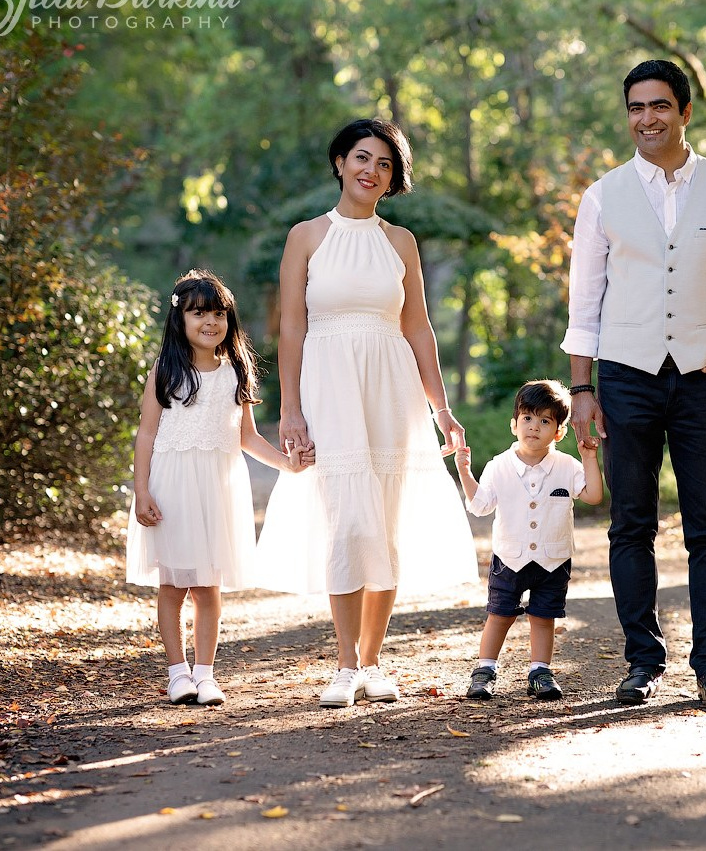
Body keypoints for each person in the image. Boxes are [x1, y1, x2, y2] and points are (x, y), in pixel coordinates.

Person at [562, 59, 706, 711]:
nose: (646, 118)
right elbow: (585, 300)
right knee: (631, 523)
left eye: (659, 105)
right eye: (635, 107)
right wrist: (581, 388)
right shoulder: (602, 195)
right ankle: (642, 662)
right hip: (626, 375)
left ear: (685, 111)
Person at [255, 118, 478, 709]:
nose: (370, 170)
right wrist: (291, 410)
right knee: (347, 521)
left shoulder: (401, 242)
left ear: (392, 178)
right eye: (361, 157)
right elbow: (293, 329)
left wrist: (442, 408)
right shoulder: (306, 236)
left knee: (385, 523)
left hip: (391, 386)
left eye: (383, 164)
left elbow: (418, 329)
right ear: (339, 162)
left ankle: (373, 661)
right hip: (330, 385)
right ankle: (343, 664)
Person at [126, 269, 310, 706]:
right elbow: (146, 434)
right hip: (171, 485)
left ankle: (205, 674)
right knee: (173, 586)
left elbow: (245, 437)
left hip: (216, 485)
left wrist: (287, 464)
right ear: (180, 320)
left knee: (209, 586)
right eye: (199, 314)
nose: (211, 322)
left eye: (219, 314)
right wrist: (142, 490)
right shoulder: (166, 370)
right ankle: (177, 673)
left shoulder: (235, 371)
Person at [454, 380, 603, 701]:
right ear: (514, 424)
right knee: (501, 613)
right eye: (527, 418)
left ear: (559, 432)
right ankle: (485, 670)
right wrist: (465, 472)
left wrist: (589, 457)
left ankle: (540, 671)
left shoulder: (567, 466)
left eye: (545, 421)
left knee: (543, 615)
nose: (534, 427)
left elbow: (593, 495)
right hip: (510, 556)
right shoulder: (498, 466)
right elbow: (480, 505)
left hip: (554, 558)